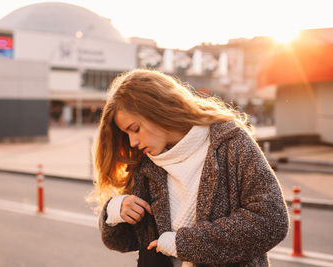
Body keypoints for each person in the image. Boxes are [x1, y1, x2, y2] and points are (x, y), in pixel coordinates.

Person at [91, 69, 289, 267]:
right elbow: (122, 241)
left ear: (157, 109)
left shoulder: (231, 142)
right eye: (126, 135)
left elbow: (271, 220)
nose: (132, 141)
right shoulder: (146, 165)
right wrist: (116, 209)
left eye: (135, 129)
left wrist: (182, 244)